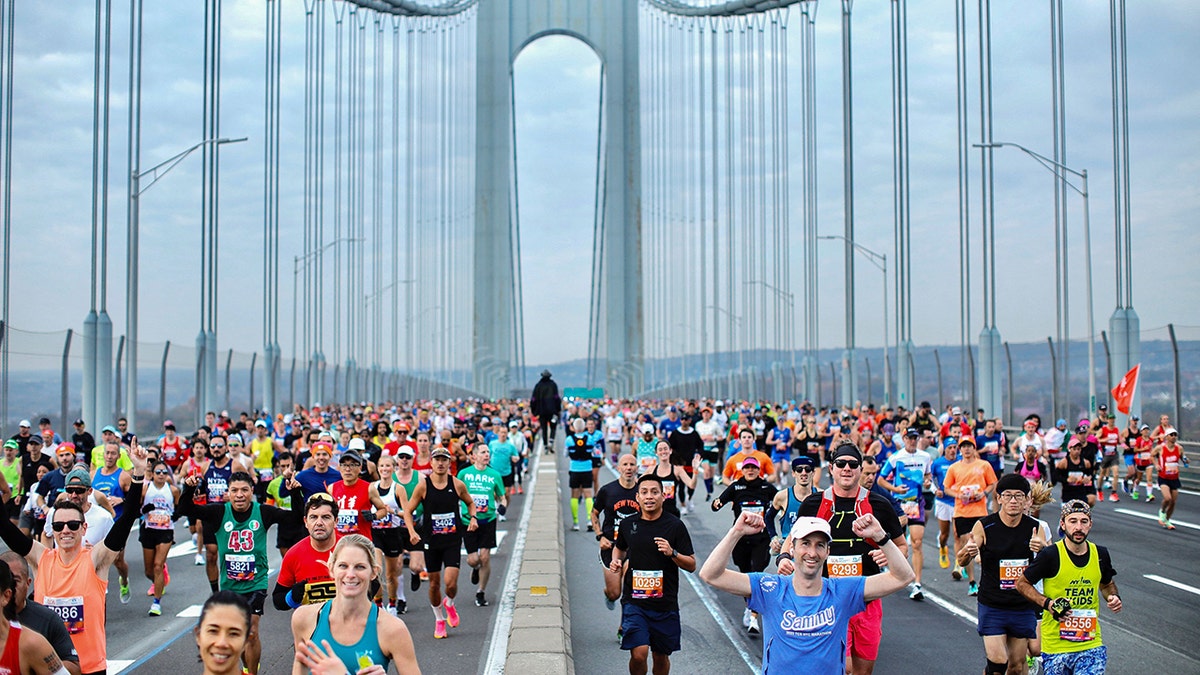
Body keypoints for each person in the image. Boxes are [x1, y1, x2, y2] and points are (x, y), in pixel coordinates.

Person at [0, 440, 148, 675]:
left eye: (72, 524)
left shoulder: (95, 558)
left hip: (89, 667)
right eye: (59, 525)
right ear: (53, 528)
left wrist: (139, 473)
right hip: (47, 667)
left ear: (83, 527)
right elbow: (5, 529)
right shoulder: (42, 558)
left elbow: (128, 517)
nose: (65, 530)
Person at [701, 512, 914, 674]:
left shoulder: (843, 591)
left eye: (820, 545)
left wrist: (881, 537)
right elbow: (711, 574)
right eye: (805, 544)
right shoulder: (770, 588)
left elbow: (902, 577)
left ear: (827, 552)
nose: (812, 553)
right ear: (792, 548)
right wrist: (736, 532)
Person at [775, 444, 907, 675]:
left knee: (863, 671)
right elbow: (792, 539)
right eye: (841, 464)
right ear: (831, 468)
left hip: (867, 596)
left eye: (853, 464)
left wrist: (887, 553)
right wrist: (784, 557)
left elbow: (902, 546)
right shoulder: (814, 504)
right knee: (841, 668)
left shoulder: (879, 505)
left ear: (859, 469)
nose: (847, 469)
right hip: (827, 598)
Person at [180, 469, 302, 674]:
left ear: (252, 491)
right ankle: (247, 666)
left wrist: (295, 493)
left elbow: (297, 518)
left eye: (244, 490)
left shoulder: (263, 512)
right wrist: (189, 487)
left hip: (256, 582)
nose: (239, 495)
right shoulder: (219, 512)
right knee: (240, 633)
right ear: (228, 492)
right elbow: (187, 509)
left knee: (252, 632)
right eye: (234, 490)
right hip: (230, 585)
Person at [1016, 500, 1122, 675]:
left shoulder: (1100, 554)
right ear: (1063, 524)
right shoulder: (1051, 555)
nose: (1078, 527)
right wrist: (1048, 604)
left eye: (1083, 521)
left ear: (1090, 524)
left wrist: (1113, 597)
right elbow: (1022, 584)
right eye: (1073, 521)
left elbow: (1107, 584)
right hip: (1056, 646)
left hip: (1090, 643)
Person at [290, 535, 420, 675]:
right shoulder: (304, 618)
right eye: (343, 566)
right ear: (331, 569)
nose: (350, 574)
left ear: (373, 572)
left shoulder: (393, 629)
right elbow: (300, 667)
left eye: (360, 567)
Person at [956, 474, 1047, 675]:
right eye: (1008, 496)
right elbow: (962, 560)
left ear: (1026, 500)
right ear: (999, 499)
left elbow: (1048, 562)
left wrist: (1043, 548)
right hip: (993, 604)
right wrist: (968, 551)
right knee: (998, 662)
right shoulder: (985, 525)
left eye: (1018, 496)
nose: (1013, 501)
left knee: (1016, 665)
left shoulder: (1034, 527)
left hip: (1021, 604)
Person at [608, 473, 696, 675]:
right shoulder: (628, 524)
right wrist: (616, 560)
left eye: (654, 492)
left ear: (663, 496)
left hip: (664, 604)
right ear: (637, 497)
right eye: (644, 492)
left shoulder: (675, 526)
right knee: (638, 654)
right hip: (635, 602)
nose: (649, 497)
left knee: (660, 655)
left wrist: (672, 552)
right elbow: (619, 548)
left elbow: (691, 564)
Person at [401, 447, 478, 639]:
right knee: (434, 584)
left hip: (452, 540)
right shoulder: (423, 486)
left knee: (450, 583)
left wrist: (473, 518)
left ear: (449, 463)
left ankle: (449, 604)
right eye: (437, 460)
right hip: (431, 542)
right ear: (432, 463)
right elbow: (408, 511)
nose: (441, 463)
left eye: (444, 460)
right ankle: (439, 620)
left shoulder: (457, 484)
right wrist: (411, 531)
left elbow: (470, 502)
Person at [710, 456, 777, 634]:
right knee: (745, 574)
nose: (750, 471)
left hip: (761, 540)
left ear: (758, 470)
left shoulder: (766, 488)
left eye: (753, 468)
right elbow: (718, 503)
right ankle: (749, 606)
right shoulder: (736, 486)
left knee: (757, 573)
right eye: (747, 468)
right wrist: (717, 503)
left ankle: (754, 617)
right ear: (743, 470)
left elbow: (780, 502)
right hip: (741, 540)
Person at [0, 553, 81, 675]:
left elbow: (74, 668)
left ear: (6, 595)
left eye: (15, 581)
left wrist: (36, 665)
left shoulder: (31, 642)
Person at [877, 428, 933, 601]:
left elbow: (928, 474)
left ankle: (917, 583)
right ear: (904, 439)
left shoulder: (925, 457)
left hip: (916, 504)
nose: (912, 441)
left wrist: (928, 480)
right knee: (893, 541)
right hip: (898, 505)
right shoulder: (896, 457)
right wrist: (895, 489)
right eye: (909, 438)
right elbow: (881, 479)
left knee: (916, 542)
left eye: (915, 438)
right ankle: (888, 567)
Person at [944, 438, 998, 596]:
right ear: (960, 450)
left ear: (974, 448)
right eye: (964, 447)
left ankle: (985, 580)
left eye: (969, 446)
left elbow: (992, 483)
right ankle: (973, 582)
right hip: (962, 512)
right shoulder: (954, 468)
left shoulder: (983, 465)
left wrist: (983, 492)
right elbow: (947, 488)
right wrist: (959, 495)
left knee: (983, 547)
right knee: (968, 545)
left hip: (980, 511)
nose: (966, 449)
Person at [457, 443, 506, 607]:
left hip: (488, 519)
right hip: (468, 520)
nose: (487, 455)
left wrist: (503, 505)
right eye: (483, 452)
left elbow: (502, 496)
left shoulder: (494, 475)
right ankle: (475, 568)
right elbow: (456, 493)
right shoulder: (464, 474)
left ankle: (481, 591)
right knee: (473, 560)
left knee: (485, 557)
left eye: (488, 452)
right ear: (474, 455)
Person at [273, 493, 340, 611]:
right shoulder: (294, 554)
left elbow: (372, 587)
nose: (319, 523)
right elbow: (278, 600)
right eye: (313, 517)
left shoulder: (350, 549)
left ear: (336, 521)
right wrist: (292, 598)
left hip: (346, 625)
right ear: (305, 521)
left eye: (326, 517)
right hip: (309, 626)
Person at [591, 454, 640, 612]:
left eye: (632, 464)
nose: (628, 468)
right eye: (625, 464)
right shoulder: (607, 491)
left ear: (637, 468)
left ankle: (623, 628)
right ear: (618, 468)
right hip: (611, 546)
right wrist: (600, 536)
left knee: (630, 592)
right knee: (615, 593)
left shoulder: (642, 491)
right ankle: (608, 594)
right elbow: (594, 513)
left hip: (634, 547)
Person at [367, 455, 408, 615]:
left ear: (394, 468)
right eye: (382, 466)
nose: (384, 469)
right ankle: (378, 605)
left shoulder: (398, 489)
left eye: (388, 466)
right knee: (376, 570)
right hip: (375, 533)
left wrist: (394, 511)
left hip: (392, 532)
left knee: (392, 574)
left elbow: (407, 513)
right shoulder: (371, 487)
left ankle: (392, 604)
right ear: (378, 468)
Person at [140, 460, 181, 616]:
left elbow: (178, 508)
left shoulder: (173, 490)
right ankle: (158, 582)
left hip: (165, 530)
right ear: (152, 475)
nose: (162, 475)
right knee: (149, 571)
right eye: (158, 472)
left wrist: (176, 515)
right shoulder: (145, 490)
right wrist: (145, 509)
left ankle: (156, 604)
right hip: (148, 530)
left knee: (158, 566)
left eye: (164, 472)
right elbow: (138, 509)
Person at [566, 418, 598, 531]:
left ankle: (576, 522)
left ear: (574, 428)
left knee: (574, 495)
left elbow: (566, 453)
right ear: (584, 427)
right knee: (588, 494)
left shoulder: (569, 439)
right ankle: (589, 520)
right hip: (587, 468)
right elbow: (594, 452)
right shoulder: (590, 438)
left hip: (575, 469)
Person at [1152, 427, 1187, 530]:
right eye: (1171, 435)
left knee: (1173, 502)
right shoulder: (1160, 448)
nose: (1174, 437)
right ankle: (1162, 511)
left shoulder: (1179, 448)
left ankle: (1167, 520)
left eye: (1175, 435)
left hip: (1174, 477)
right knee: (1168, 498)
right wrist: (1156, 464)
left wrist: (1186, 461)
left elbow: (1183, 458)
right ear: (1166, 437)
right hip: (1163, 477)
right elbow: (1152, 455)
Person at [530, 369, 562, 453]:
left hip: (541, 412)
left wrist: (534, 411)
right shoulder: (553, 385)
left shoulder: (538, 386)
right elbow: (556, 398)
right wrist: (558, 410)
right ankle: (551, 441)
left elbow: (533, 399)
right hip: (552, 411)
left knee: (544, 429)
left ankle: (545, 446)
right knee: (553, 427)